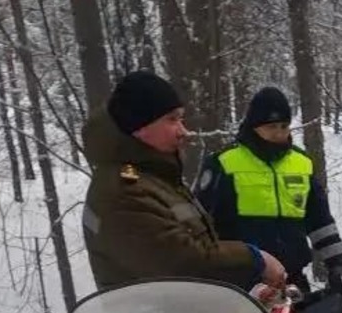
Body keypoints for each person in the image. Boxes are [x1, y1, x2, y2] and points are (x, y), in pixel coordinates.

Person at [82, 70, 288, 292]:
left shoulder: (155, 179)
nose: (184, 131)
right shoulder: (123, 193)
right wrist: (255, 259)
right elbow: (185, 264)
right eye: (171, 119)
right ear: (138, 127)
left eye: (181, 119)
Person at [195, 86, 342, 293]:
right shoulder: (223, 163)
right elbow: (201, 223)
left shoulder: (302, 163)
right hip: (240, 283)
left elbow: (320, 223)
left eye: (284, 126)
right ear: (254, 126)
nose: (279, 133)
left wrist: (339, 265)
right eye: (272, 126)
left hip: (292, 280)